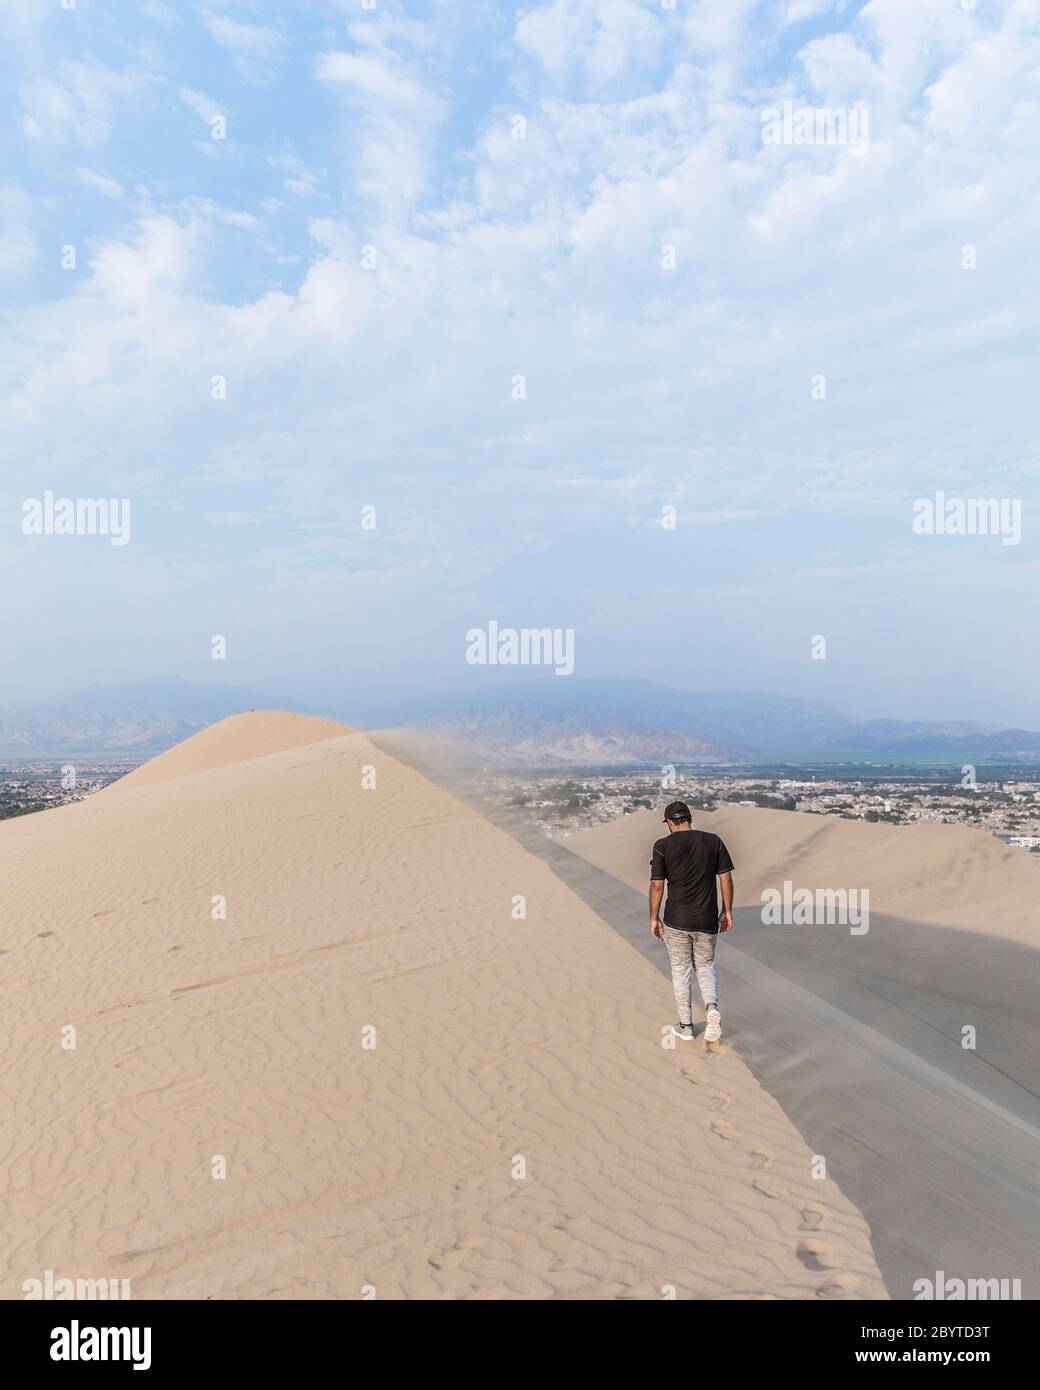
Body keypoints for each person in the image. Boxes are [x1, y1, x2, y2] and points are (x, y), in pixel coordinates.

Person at [649, 800, 734, 1043]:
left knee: (680, 970)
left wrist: (654, 918)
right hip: (707, 918)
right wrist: (727, 911)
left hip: (676, 920)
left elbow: (657, 885)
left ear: (669, 823)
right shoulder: (713, 841)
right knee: (705, 966)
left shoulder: (662, 845)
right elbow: (725, 878)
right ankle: (711, 1008)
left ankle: (686, 1026)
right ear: (689, 819)